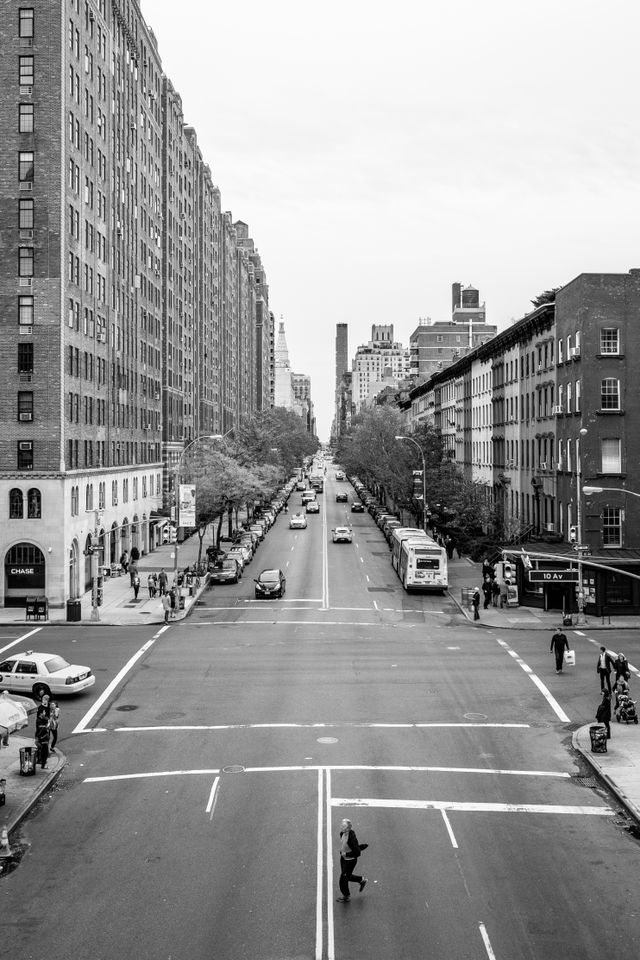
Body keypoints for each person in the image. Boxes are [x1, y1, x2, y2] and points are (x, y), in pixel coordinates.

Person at [336, 818, 368, 902]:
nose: (341, 827)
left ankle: (346, 896)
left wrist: (346, 854)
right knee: (347, 876)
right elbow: (344, 844)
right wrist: (343, 853)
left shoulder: (352, 838)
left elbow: (357, 853)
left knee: (343, 879)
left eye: (343, 826)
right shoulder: (342, 833)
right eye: (341, 825)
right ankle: (361, 880)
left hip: (350, 861)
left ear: (348, 828)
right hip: (343, 859)